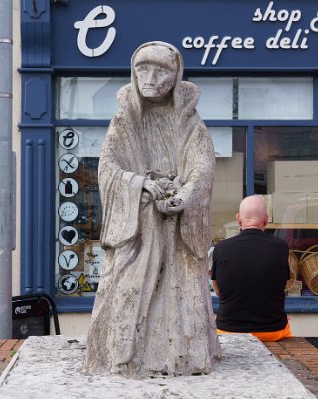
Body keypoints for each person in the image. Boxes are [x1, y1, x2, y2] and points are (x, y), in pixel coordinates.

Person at [84, 41, 221, 377]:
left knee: (181, 288)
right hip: (139, 222)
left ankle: (181, 357)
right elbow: (108, 166)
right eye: (143, 68)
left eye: (161, 70)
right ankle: (122, 355)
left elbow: (203, 168)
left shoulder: (188, 121)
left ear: (176, 76)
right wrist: (140, 184)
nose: (150, 77)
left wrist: (184, 197)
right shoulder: (124, 119)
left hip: (176, 229)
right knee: (126, 285)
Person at [211, 195, 292, 342]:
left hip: (228, 330)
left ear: (238, 218)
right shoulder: (280, 247)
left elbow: (218, 289)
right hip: (273, 331)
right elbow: (283, 284)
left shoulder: (221, 248)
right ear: (266, 219)